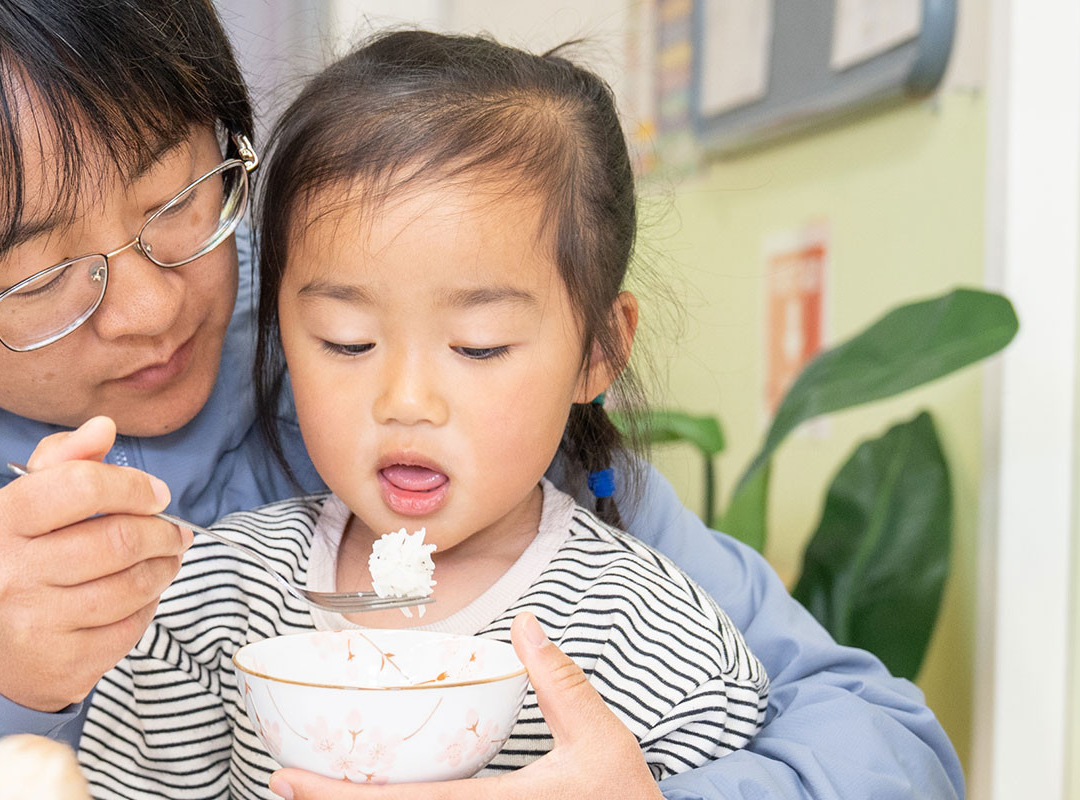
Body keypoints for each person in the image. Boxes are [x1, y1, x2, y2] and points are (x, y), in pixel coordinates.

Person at [0, 2, 961, 798]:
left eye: (178, 196)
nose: (149, 301)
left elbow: (885, 746)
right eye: (42, 275)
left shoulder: (367, 353)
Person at [78, 31, 771, 798]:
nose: (405, 401)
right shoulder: (213, 604)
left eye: (478, 347)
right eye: (348, 342)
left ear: (597, 351)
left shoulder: (654, 643)